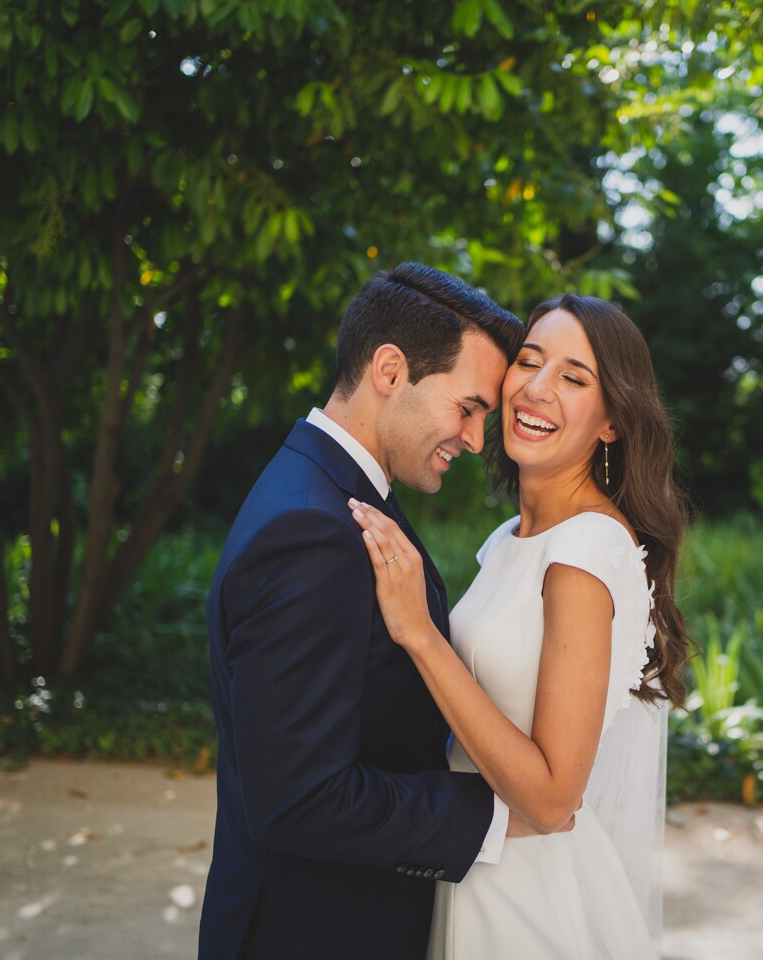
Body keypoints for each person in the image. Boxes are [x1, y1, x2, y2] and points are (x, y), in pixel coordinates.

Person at [198, 263, 530, 959]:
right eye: (468, 407)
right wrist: (494, 815)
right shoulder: (312, 530)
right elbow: (298, 800)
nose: (476, 439)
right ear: (389, 370)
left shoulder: (331, 486)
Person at [351, 293, 693, 959]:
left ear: (613, 422)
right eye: (529, 362)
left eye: (574, 378)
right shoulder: (510, 536)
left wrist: (419, 634)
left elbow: (552, 796)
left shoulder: (585, 554)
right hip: (473, 863)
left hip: (528, 897)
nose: (536, 390)